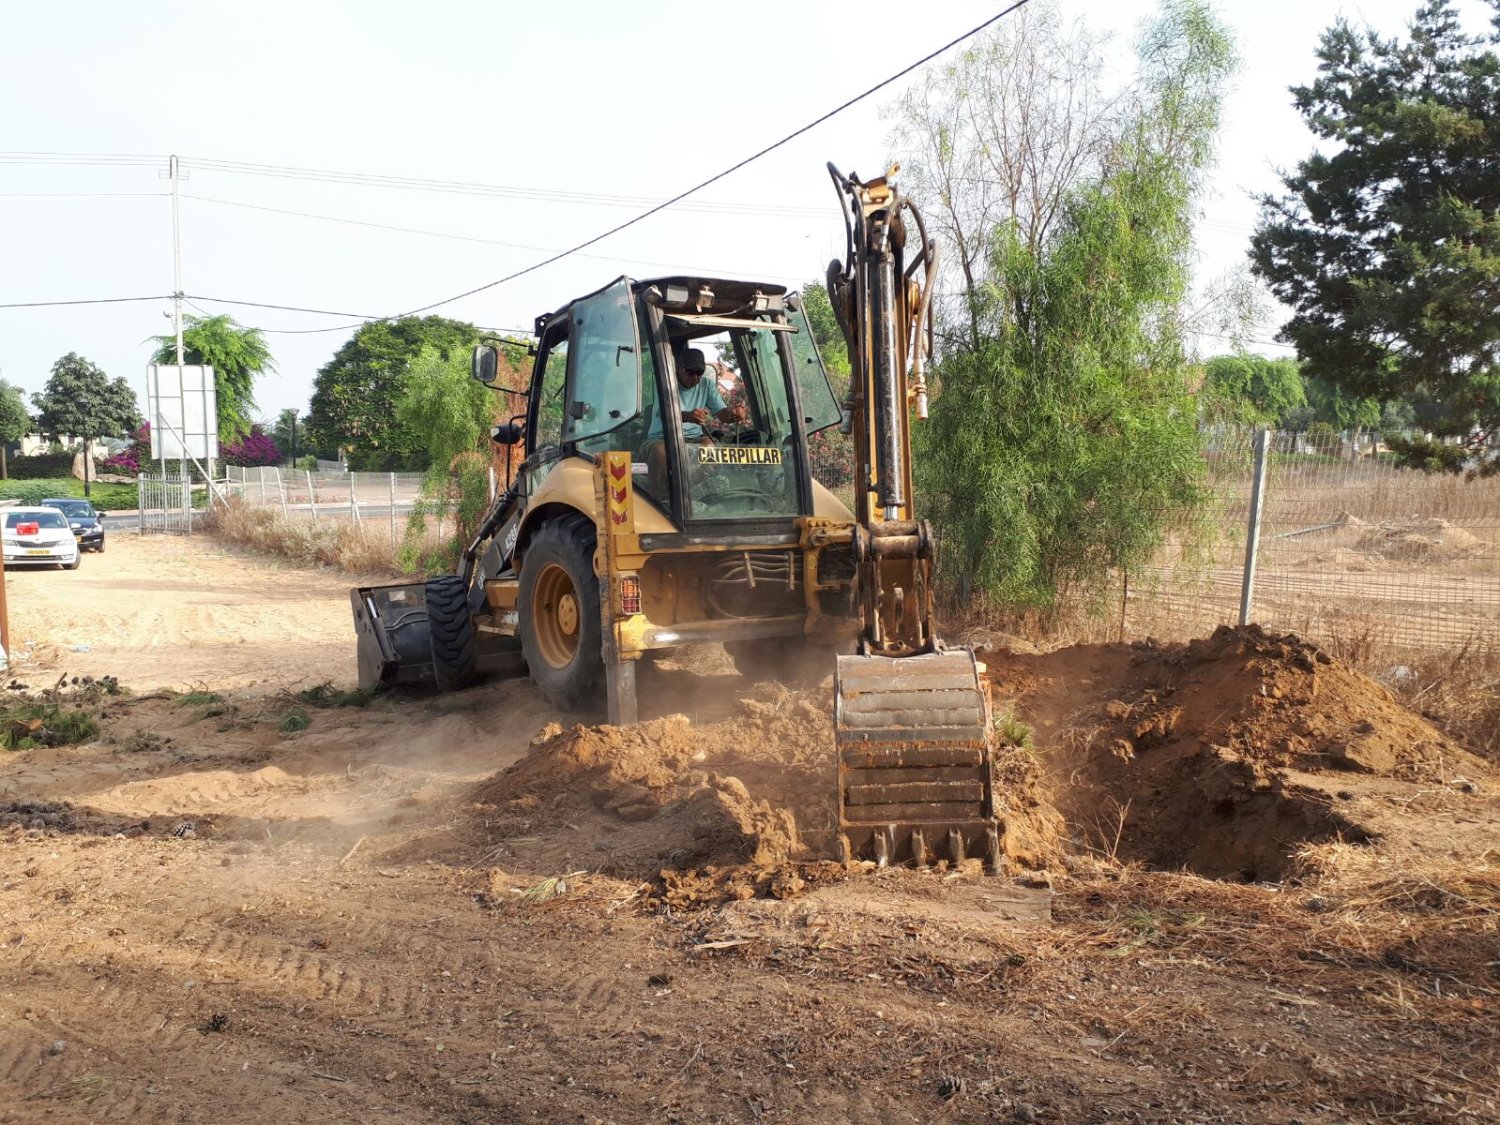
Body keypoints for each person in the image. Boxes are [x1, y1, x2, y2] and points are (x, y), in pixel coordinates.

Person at [645, 347, 747, 494]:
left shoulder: (706, 385)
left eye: (699, 373)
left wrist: (734, 413)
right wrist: (688, 416)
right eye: (690, 372)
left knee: (710, 448)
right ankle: (656, 500)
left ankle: (686, 493)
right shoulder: (665, 382)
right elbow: (664, 414)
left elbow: (722, 414)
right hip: (661, 438)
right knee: (660, 451)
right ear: (679, 369)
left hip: (693, 438)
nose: (695, 378)